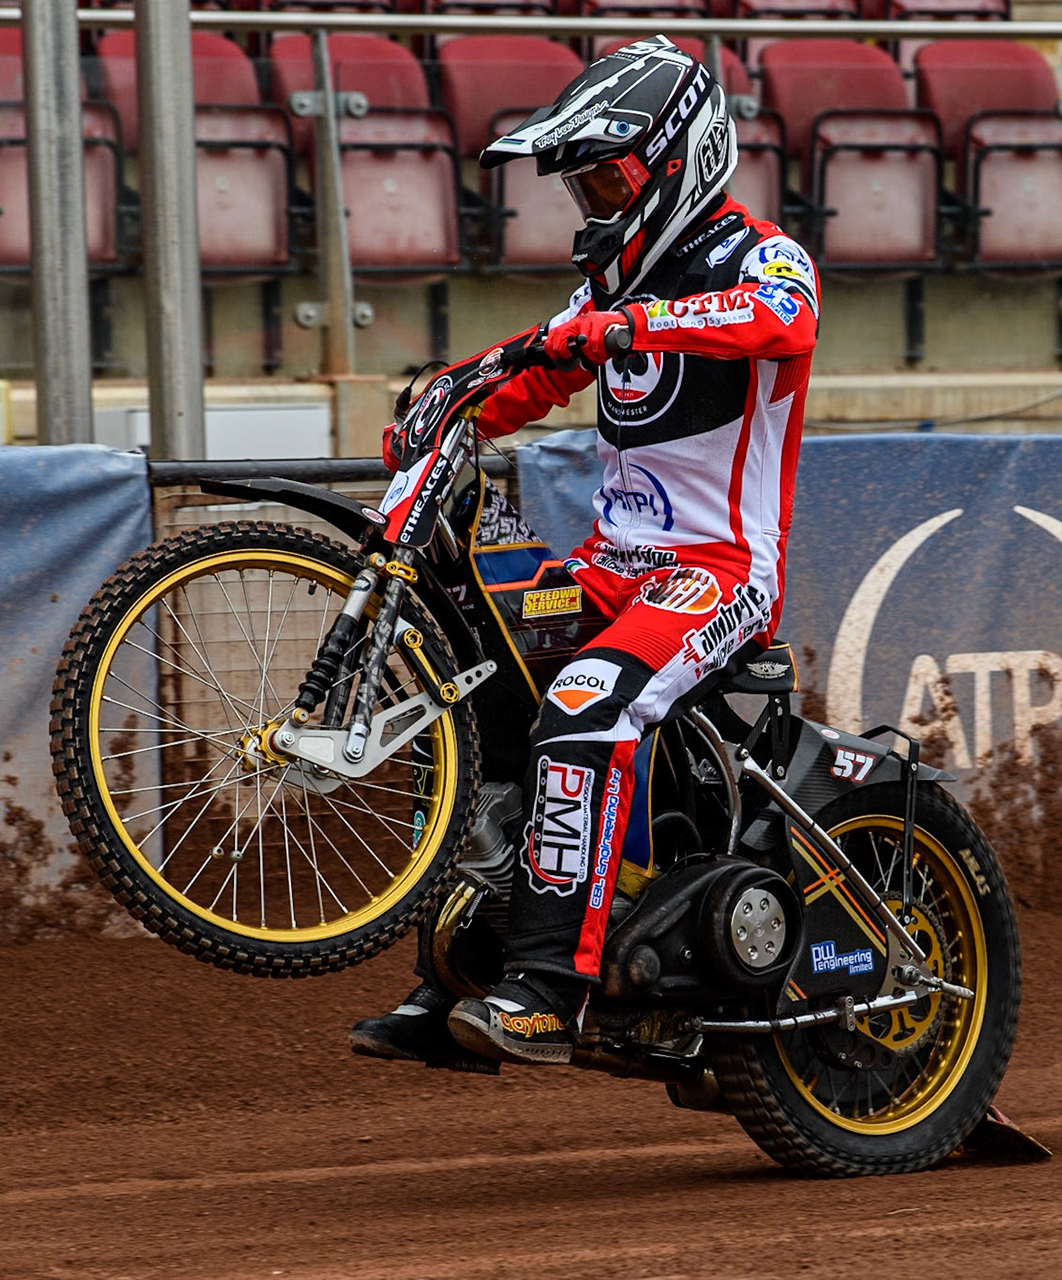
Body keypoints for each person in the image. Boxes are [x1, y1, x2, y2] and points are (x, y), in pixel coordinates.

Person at [350, 35, 819, 1068]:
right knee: (483, 681)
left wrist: (627, 328)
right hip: (615, 570)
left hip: (722, 573)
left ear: (680, 158)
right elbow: (526, 377)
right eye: (583, 186)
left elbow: (781, 319)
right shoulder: (608, 294)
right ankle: (462, 967)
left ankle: (550, 991)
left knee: (588, 700)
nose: (594, 204)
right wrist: (447, 397)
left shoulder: (760, 257)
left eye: (608, 177)